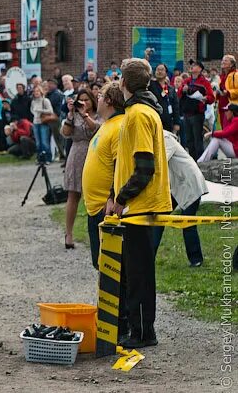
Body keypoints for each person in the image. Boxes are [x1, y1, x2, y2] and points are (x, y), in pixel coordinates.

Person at [110, 58, 172, 348]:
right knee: (136, 272)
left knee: (139, 275)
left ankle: (143, 332)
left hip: (141, 206)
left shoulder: (138, 115)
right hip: (140, 205)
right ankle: (140, 329)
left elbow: (144, 167)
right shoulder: (144, 111)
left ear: (124, 83)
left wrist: (122, 197)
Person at [82, 82, 126, 270]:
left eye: (99, 96)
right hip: (95, 208)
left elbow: (120, 166)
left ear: (108, 100)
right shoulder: (107, 124)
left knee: (111, 270)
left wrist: (112, 197)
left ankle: (119, 301)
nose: (96, 98)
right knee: (100, 264)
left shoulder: (118, 126)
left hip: (106, 209)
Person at [153, 130, 206, 267]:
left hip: (189, 183)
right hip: (178, 186)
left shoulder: (164, 139)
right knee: (159, 218)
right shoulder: (157, 139)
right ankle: (149, 254)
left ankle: (196, 259)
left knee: (187, 221)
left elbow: (158, 164)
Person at [61, 88, 99, 249]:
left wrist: (85, 114)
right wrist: (70, 114)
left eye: (87, 100)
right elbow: (65, 133)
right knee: (73, 195)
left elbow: (97, 129)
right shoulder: (73, 115)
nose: (84, 103)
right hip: (76, 155)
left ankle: (96, 234)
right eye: (80, 100)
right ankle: (68, 233)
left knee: (95, 196)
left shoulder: (99, 114)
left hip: (94, 154)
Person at [178, 61, 214, 159]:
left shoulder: (204, 82)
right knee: (189, 140)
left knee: (198, 140)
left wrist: (205, 98)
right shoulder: (187, 81)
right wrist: (183, 90)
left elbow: (211, 98)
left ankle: (200, 162)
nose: (192, 67)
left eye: (194, 66)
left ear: (200, 69)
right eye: (192, 65)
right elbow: (179, 94)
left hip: (197, 114)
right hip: (186, 114)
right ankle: (192, 161)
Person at [149, 64, 180, 134]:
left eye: (162, 70)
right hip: (154, 120)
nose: (159, 71)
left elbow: (176, 107)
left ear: (166, 73)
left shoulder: (171, 89)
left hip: (168, 122)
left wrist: (176, 123)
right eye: (158, 69)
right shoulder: (151, 85)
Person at [30, 84, 55, 164]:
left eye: (37, 91)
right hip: (35, 122)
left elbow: (50, 111)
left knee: (44, 142)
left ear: (41, 92)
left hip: (43, 122)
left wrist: (40, 110)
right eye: (35, 91)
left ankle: (48, 158)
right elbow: (32, 110)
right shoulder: (33, 101)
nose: (36, 93)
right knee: (38, 142)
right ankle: (40, 158)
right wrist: (35, 113)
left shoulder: (45, 101)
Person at [216, 55, 238, 128]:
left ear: (231, 64)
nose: (223, 62)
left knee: (230, 130)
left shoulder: (236, 75)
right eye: (223, 60)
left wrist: (228, 92)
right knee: (224, 128)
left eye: (226, 60)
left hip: (232, 108)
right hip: (222, 107)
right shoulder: (222, 76)